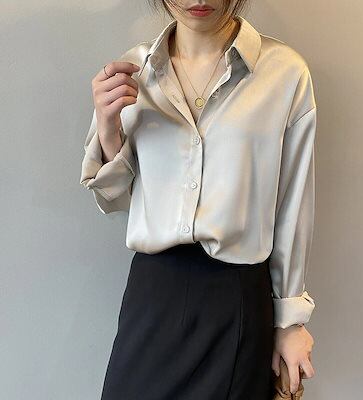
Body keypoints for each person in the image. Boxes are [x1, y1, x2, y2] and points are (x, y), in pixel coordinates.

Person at [80, 1, 317, 399]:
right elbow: (114, 201)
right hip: (152, 294)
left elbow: (294, 203)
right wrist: (107, 129)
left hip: (236, 298)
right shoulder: (134, 71)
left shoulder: (284, 73)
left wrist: (290, 321)